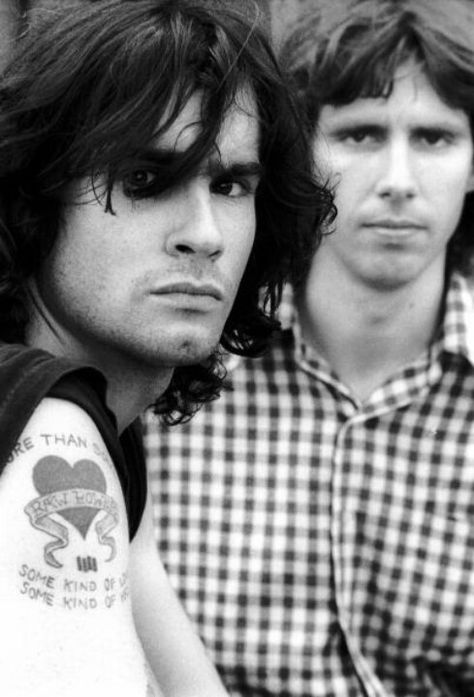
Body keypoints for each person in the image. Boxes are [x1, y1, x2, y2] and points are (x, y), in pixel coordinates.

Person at [0, 1, 332, 695]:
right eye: (145, 180)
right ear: (34, 193)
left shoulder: (103, 422)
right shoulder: (52, 431)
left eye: (230, 184)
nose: (205, 233)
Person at [145, 0, 474, 695]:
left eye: (435, 138)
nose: (397, 180)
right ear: (302, 153)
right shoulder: (181, 365)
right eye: (358, 134)